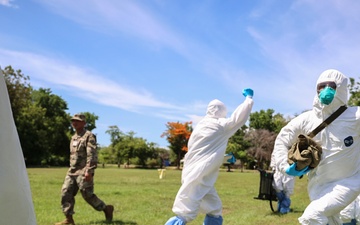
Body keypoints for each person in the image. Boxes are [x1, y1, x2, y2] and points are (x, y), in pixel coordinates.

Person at [271, 69, 360, 225]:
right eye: (321, 86)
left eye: (331, 85)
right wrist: (285, 166)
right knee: (330, 221)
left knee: (312, 216)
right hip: (317, 186)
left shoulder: (355, 116)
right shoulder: (307, 119)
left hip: (347, 183)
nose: (325, 90)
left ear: (341, 88)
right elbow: (282, 140)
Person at [164, 88, 254, 225]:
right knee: (184, 212)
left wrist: (224, 157)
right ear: (222, 112)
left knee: (214, 209)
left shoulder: (200, 126)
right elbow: (238, 117)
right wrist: (248, 99)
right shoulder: (220, 126)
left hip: (195, 172)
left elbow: (204, 151)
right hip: (199, 175)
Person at [55, 113, 114, 225]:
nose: (74, 123)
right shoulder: (73, 137)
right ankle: (69, 219)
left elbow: (91, 154)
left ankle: (106, 209)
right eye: (73, 120)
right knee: (65, 193)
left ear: (84, 123)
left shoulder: (89, 136)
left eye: (77, 121)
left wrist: (89, 170)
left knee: (88, 195)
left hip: (83, 171)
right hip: (72, 171)